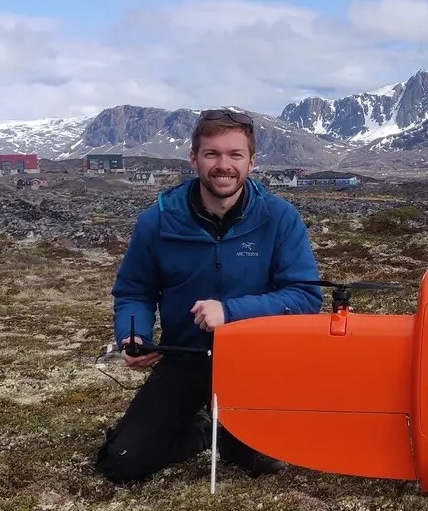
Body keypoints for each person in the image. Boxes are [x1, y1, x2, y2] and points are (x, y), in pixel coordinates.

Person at [95, 108, 323, 484]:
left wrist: (231, 312)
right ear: (194, 159)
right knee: (121, 462)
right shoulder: (158, 220)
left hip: (255, 364)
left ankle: (232, 433)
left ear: (252, 161)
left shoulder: (279, 218)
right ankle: (204, 429)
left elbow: (304, 296)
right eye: (212, 154)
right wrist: (132, 335)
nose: (223, 165)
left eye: (235, 155)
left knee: (266, 459)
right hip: (185, 358)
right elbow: (134, 290)